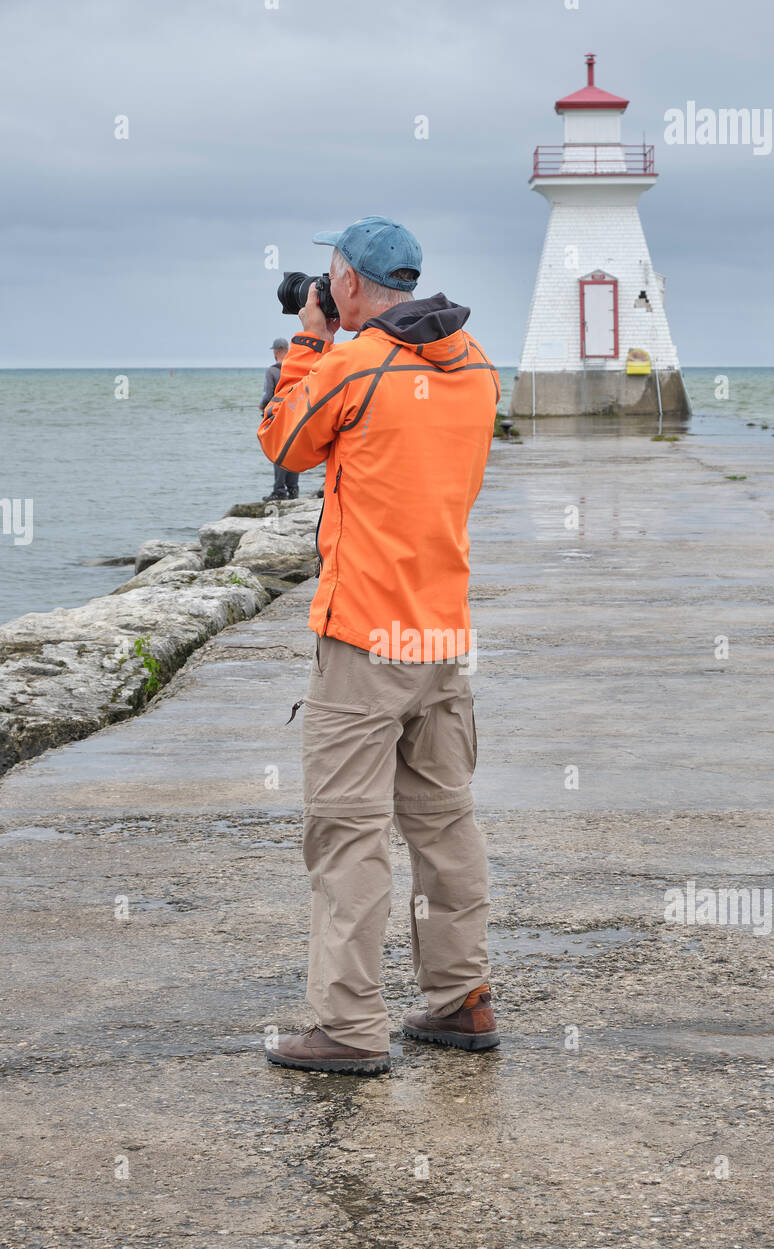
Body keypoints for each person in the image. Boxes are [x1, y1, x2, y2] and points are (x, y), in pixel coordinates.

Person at [257, 216, 500, 1076]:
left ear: (351, 285)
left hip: (363, 637)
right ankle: (460, 998)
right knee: (443, 823)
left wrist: (305, 341)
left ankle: (350, 1028)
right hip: (441, 633)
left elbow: (285, 441)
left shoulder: (353, 362)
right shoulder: (473, 365)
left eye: (329, 279)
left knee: (348, 833)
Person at [259, 337, 298, 499]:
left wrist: (262, 406)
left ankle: (279, 490)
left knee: (278, 451)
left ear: (275, 352)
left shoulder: (272, 371)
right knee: (293, 450)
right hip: (295, 414)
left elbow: (268, 395)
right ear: (287, 351)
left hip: (277, 416)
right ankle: (293, 489)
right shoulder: (294, 369)